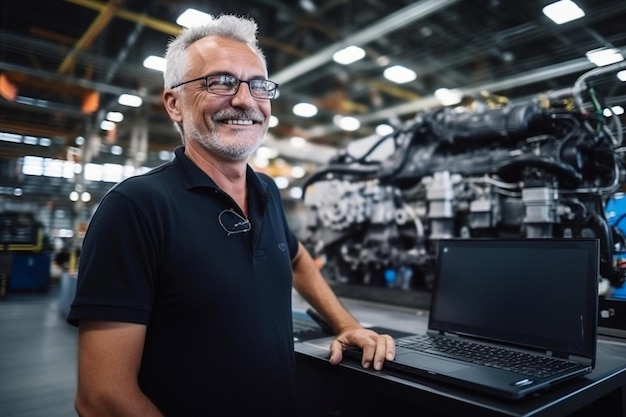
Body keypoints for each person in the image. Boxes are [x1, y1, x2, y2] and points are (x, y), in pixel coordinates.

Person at [67, 14, 395, 417]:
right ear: (174, 104)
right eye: (219, 82)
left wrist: (346, 324)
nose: (244, 100)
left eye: (258, 85)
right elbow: (102, 398)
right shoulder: (136, 208)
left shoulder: (266, 192)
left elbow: (298, 260)